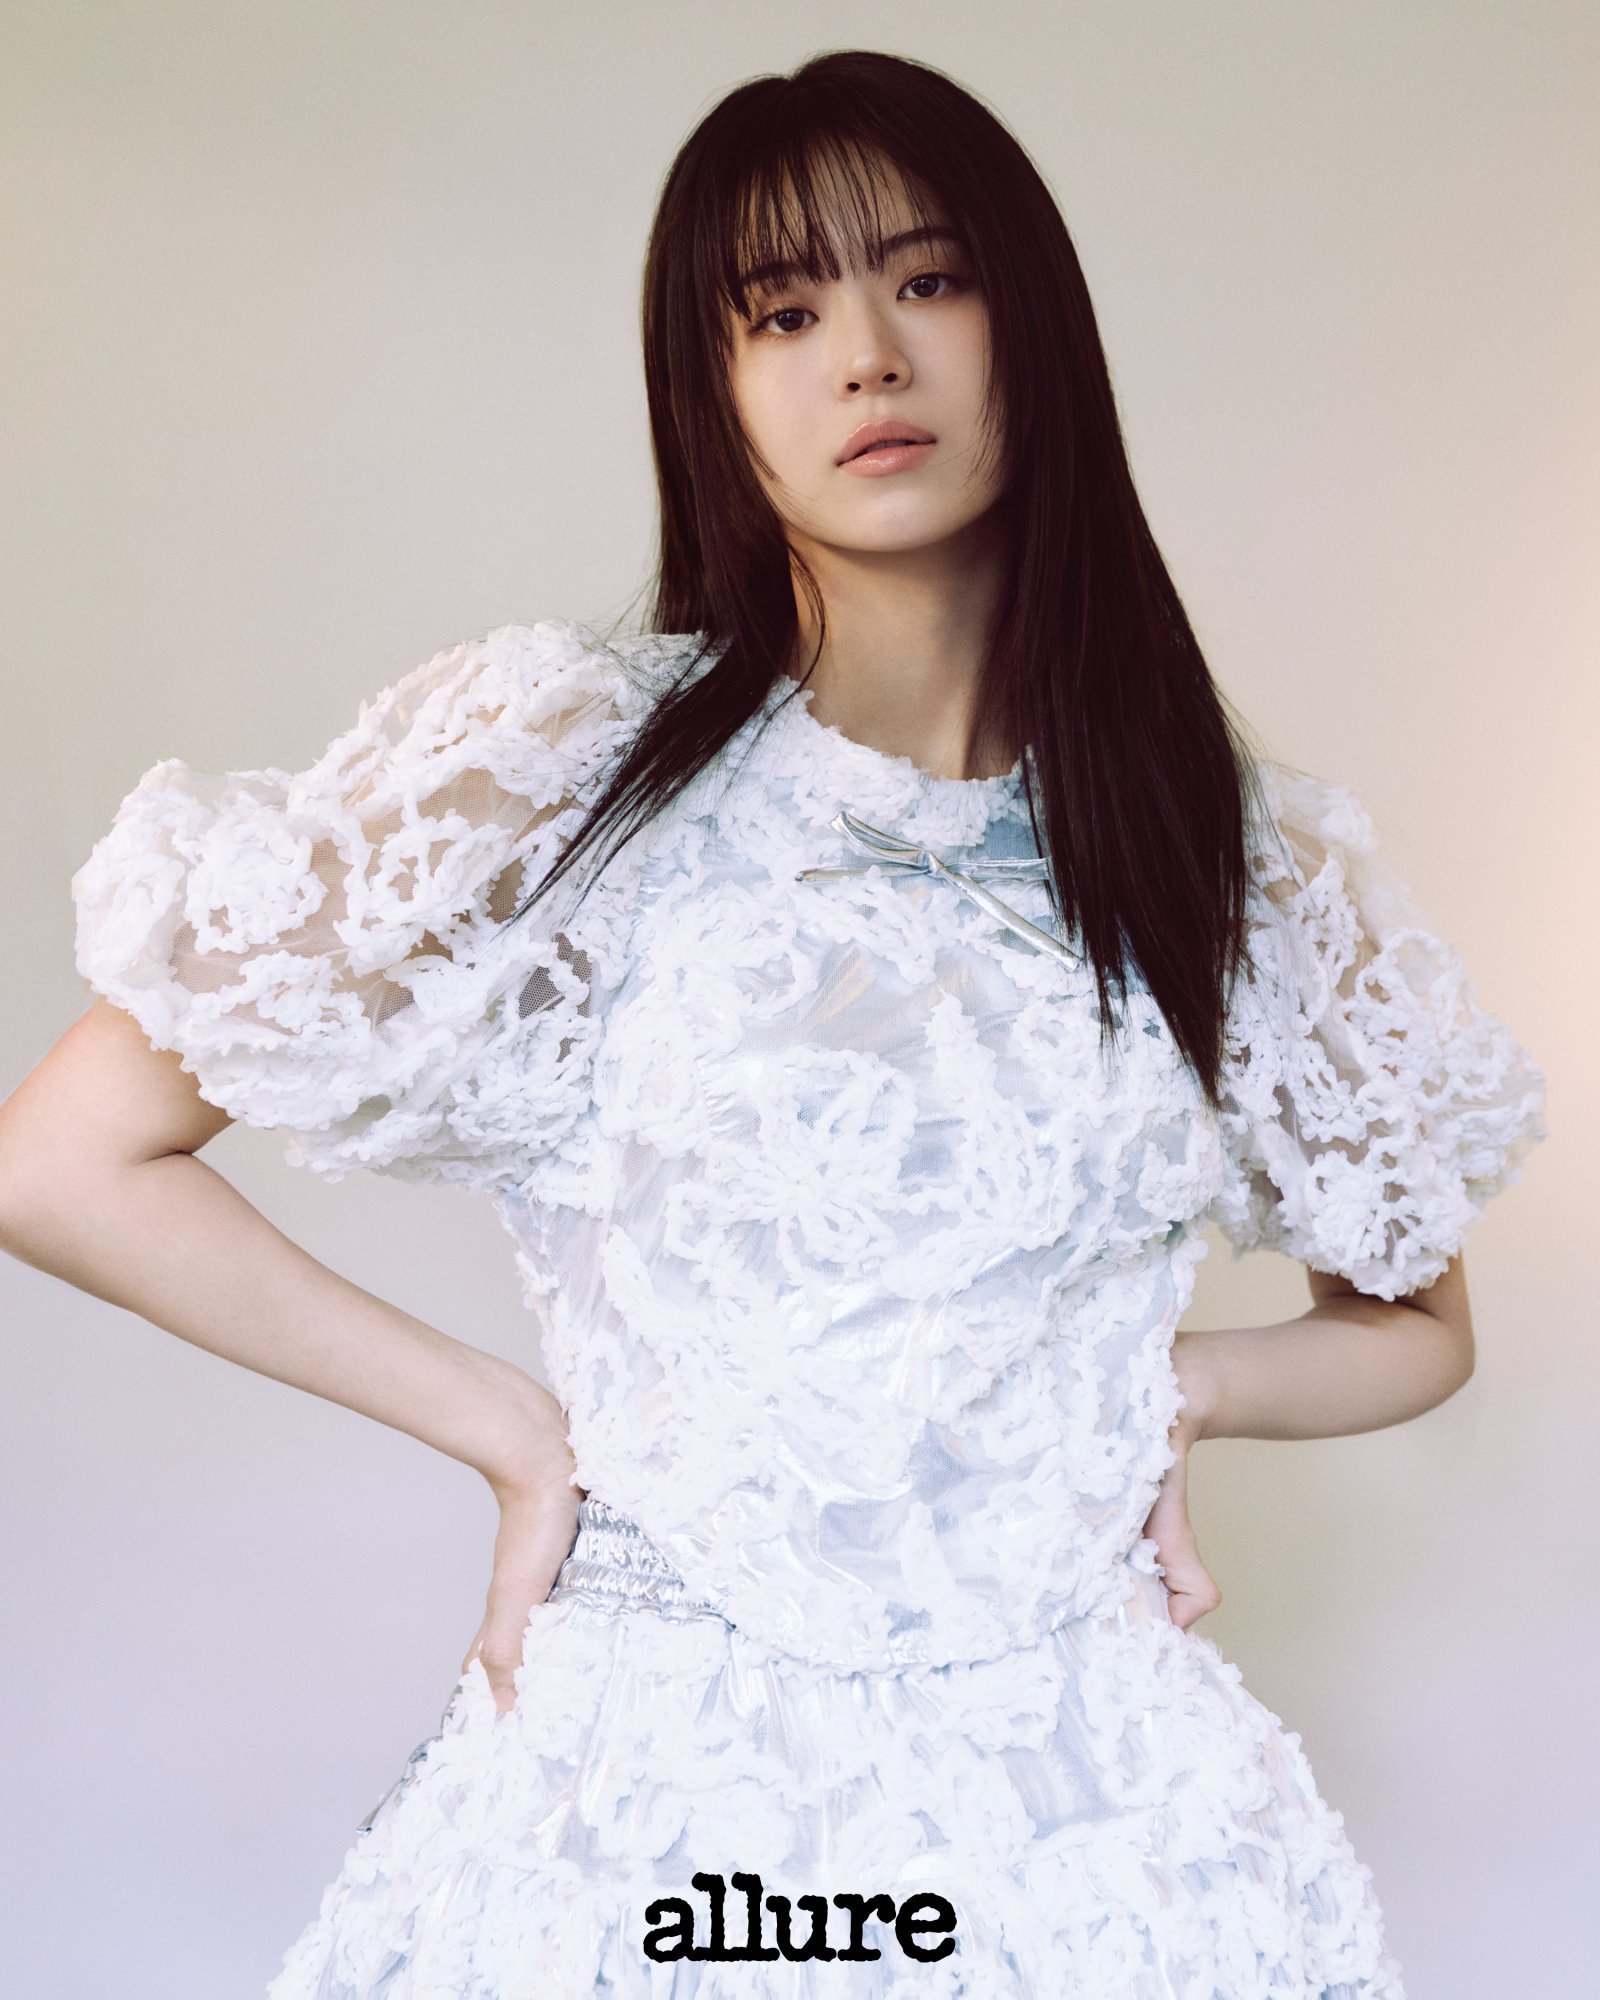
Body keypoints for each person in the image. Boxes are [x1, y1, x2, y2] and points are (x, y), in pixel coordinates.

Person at [0, 48, 1546, 2000]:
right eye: (785, 314)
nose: (867, 358)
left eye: (927, 279)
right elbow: (65, 1163)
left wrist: (1169, 1391)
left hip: (1092, 1820)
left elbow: (1414, 1322)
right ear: (711, 393)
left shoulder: (1230, 854)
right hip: (665, 1809)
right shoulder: (570, 766)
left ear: (1032, 326)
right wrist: (511, 1435)